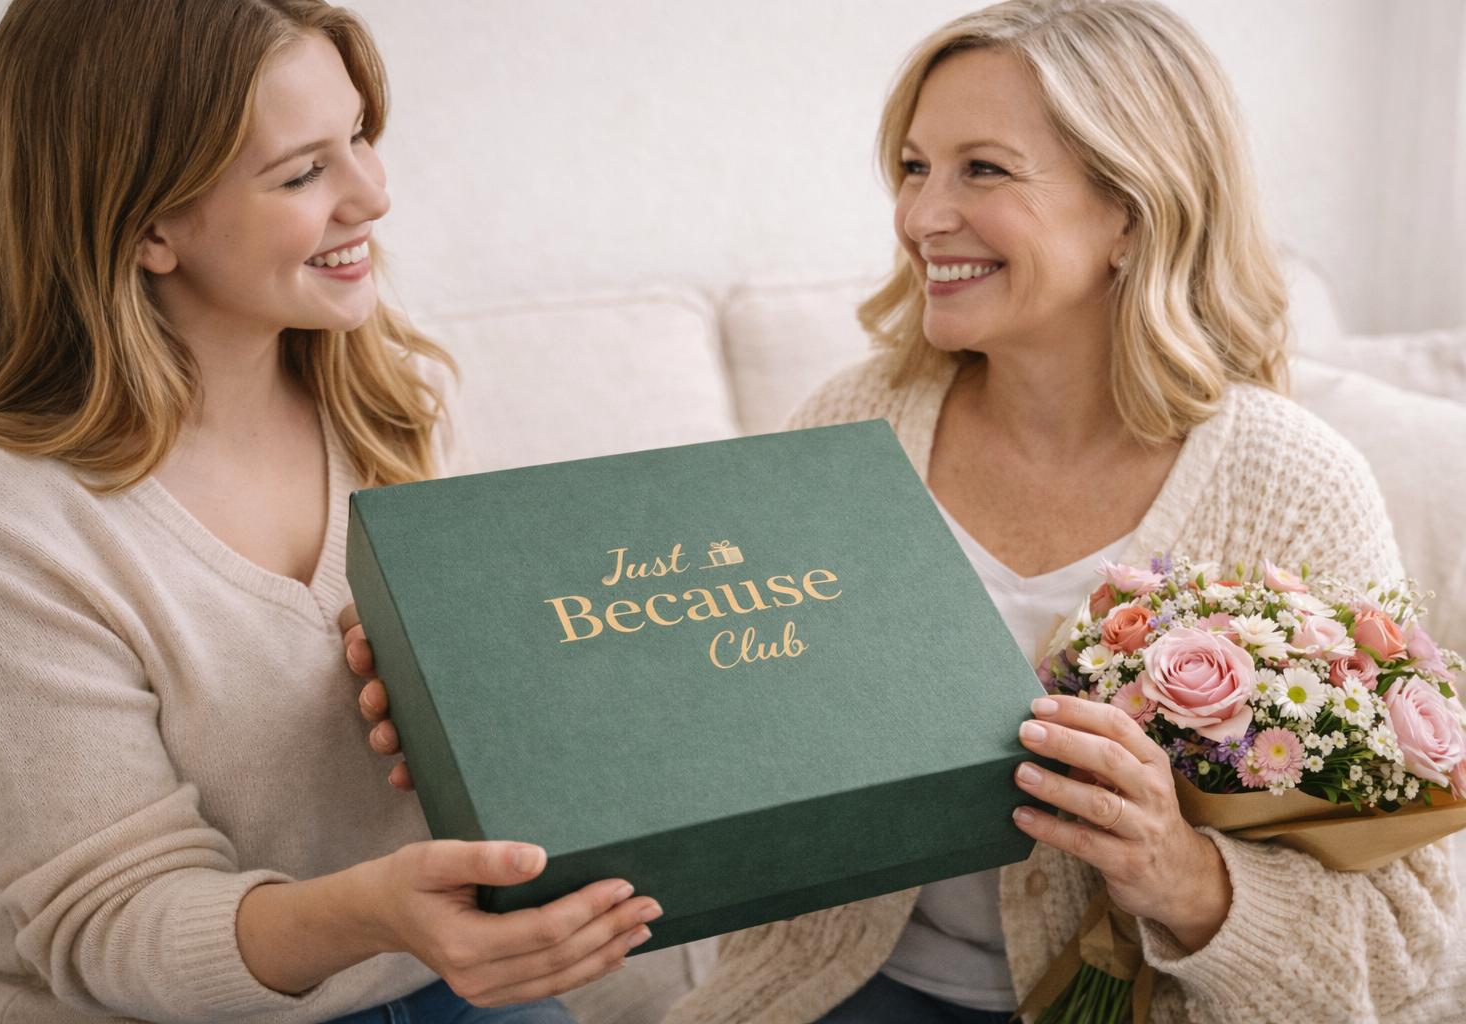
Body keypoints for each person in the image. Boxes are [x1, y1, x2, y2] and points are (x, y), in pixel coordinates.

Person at [351, 1, 1466, 1021]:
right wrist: (485, 699)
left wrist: (1182, 875)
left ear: (1131, 210)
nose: (923, 214)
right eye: (914, 166)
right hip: (833, 991)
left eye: (983, 169)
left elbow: (1409, 935)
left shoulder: (1292, 487)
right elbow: (711, 710)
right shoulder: (852, 424)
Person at [0, 1, 662, 1022]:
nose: (374, 195)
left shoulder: (397, 402)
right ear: (147, 226)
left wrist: (500, 691)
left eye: (359, 135)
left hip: (437, 980)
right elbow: (108, 925)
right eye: (304, 172)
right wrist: (374, 912)